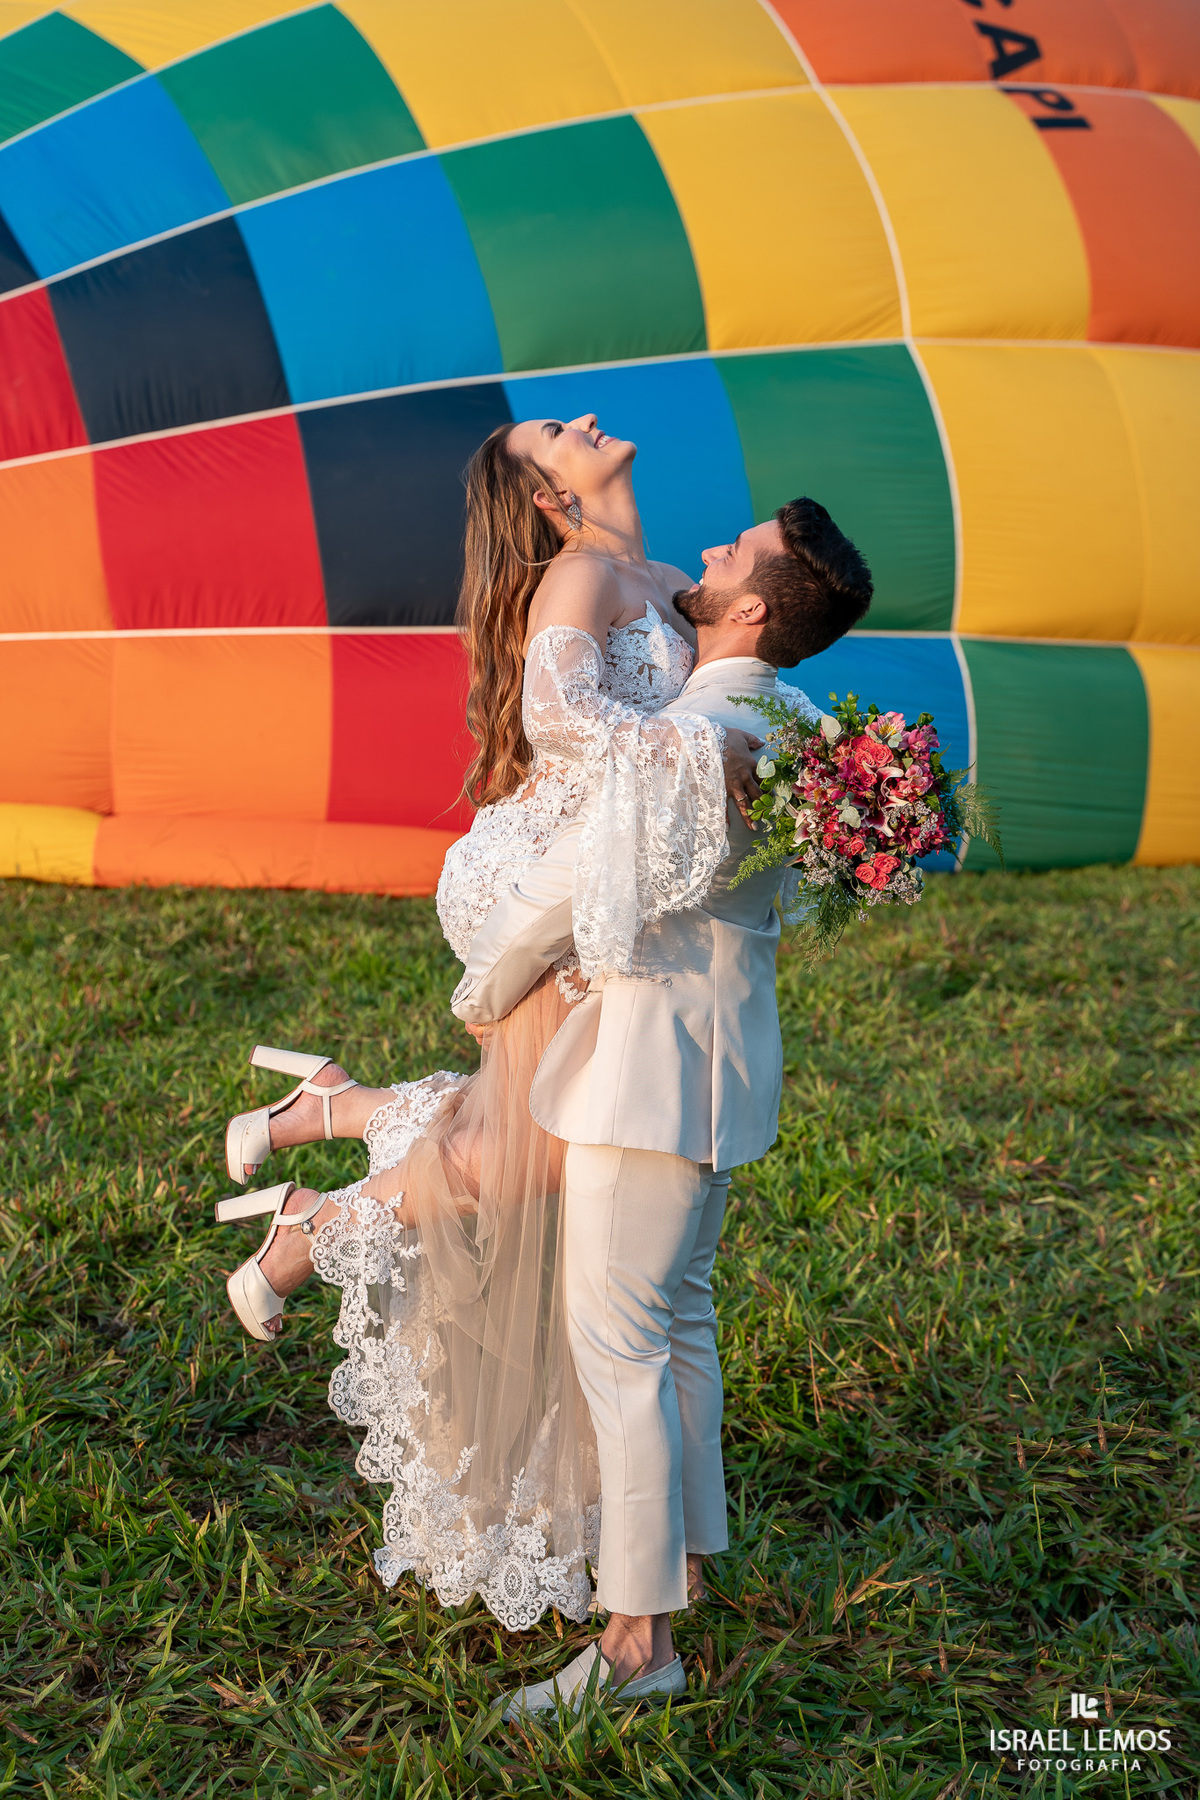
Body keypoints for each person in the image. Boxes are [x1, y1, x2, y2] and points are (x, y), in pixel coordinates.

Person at [214, 414, 764, 1631]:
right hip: (556, 901)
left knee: (531, 1140)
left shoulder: (666, 576)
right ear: (550, 497)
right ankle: (316, 1224)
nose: (584, 423)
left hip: (607, 896)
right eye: (554, 435)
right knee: (533, 1153)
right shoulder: (582, 574)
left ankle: (337, 1112)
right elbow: (563, 716)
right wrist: (686, 763)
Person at [449, 497, 873, 1712]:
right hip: (725, 1065)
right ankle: (680, 1562)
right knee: (678, 1323)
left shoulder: (697, 730)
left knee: (620, 1345)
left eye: (735, 554)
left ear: (748, 609)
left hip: (645, 1075)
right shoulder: (791, 724)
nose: (711, 552)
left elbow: (591, 876)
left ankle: (639, 1646)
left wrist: (494, 975)